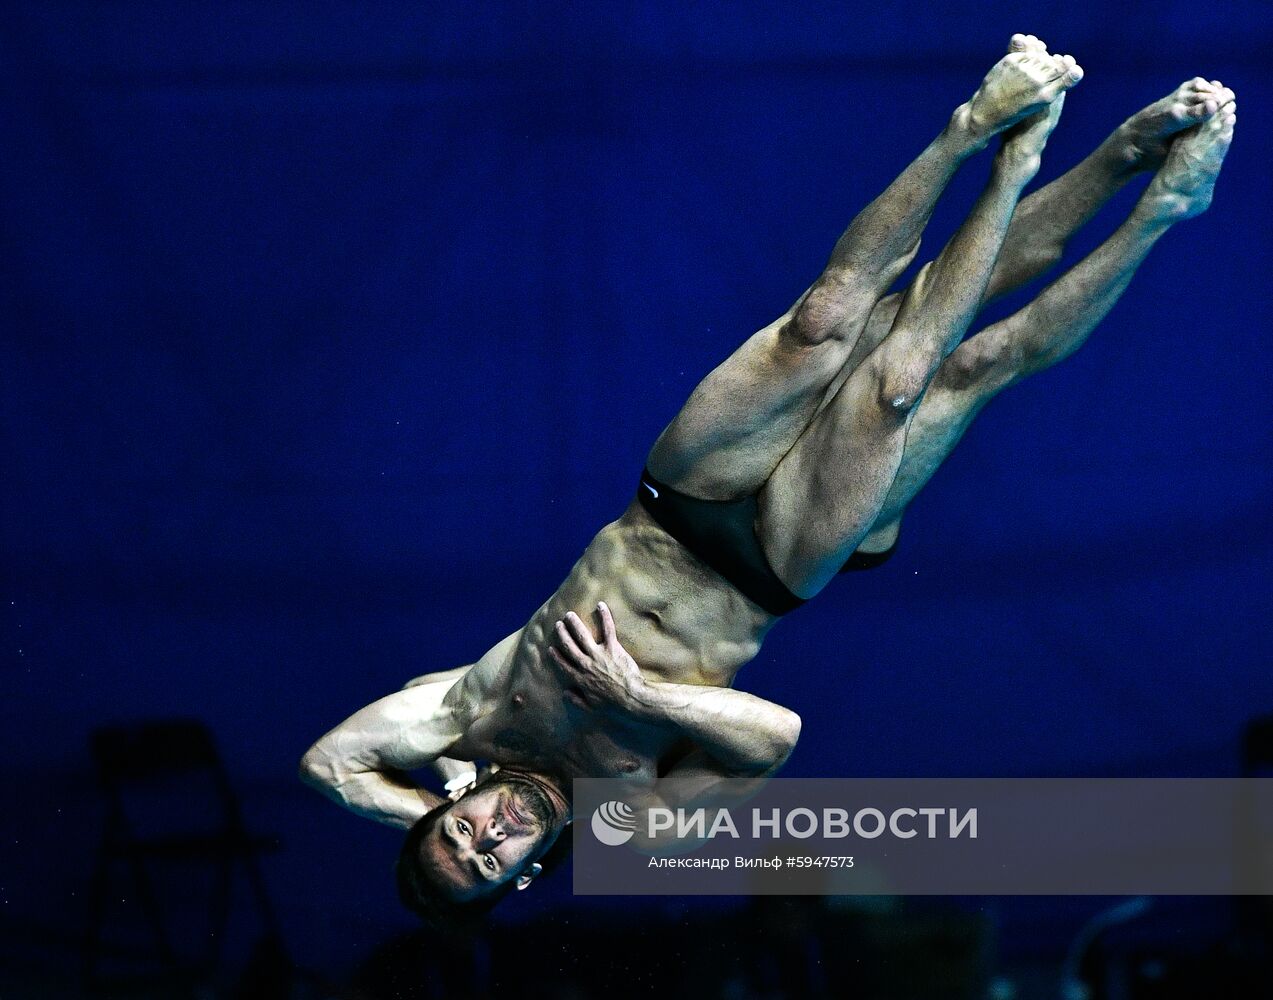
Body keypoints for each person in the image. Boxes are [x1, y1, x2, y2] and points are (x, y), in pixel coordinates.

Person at [299, 34, 1235, 922]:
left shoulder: (469, 715)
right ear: (527, 873)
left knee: (825, 321)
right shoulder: (634, 827)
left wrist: (425, 809)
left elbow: (329, 765)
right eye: (487, 864)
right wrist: (640, 702)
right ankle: (1140, 203)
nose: (485, 837)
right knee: (924, 374)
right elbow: (774, 739)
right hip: (774, 566)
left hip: (672, 507)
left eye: (459, 837)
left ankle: (990, 133)